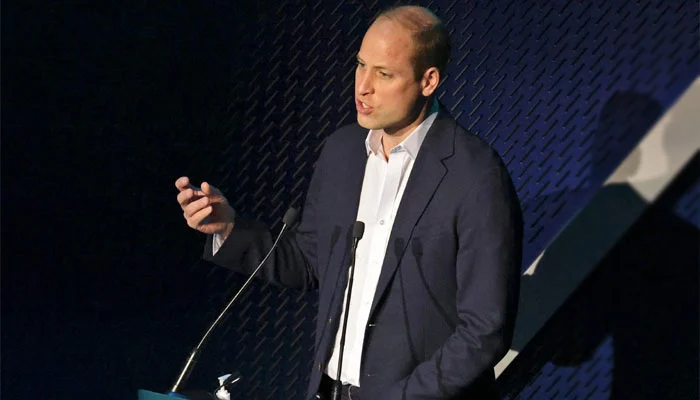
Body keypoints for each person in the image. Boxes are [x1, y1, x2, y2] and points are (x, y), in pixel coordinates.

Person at [176, 5, 522, 400]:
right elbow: (309, 263)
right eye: (361, 65)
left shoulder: (475, 175)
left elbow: (484, 331)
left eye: (384, 74)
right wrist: (228, 228)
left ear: (428, 81)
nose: (363, 87)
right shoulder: (341, 152)